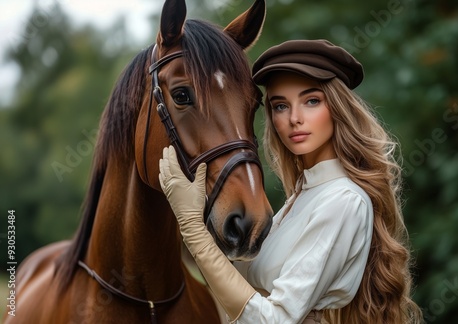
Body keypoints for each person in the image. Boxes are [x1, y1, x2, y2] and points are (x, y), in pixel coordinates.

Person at [159, 39, 422, 323]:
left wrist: (193, 230)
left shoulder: (343, 200)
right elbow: (236, 294)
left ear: (336, 108)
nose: (294, 118)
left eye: (311, 101)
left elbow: (275, 320)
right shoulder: (300, 198)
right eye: (280, 106)